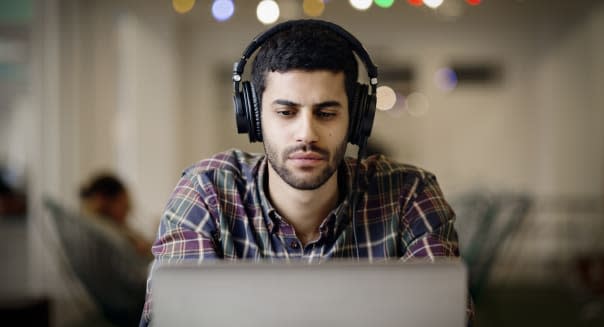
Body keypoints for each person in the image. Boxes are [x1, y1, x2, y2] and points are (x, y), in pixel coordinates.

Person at [140, 19, 473, 326]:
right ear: (254, 118)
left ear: (357, 119)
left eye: (326, 113)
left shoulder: (409, 195)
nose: (307, 134)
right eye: (286, 112)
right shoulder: (205, 192)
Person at [80, 172, 152, 258]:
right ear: (103, 201)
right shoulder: (104, 232)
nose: (127, 212)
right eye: (125, 206)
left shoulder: (113, 227)